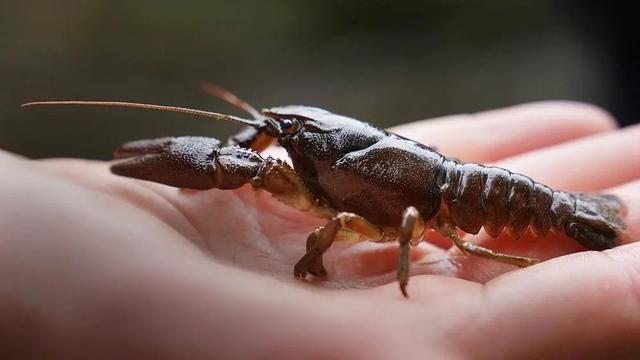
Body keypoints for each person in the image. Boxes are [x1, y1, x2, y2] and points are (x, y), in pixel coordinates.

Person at [0, 101, 638, 358]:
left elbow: (357, 221)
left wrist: (315, 256)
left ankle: (582, 218)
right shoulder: (329, 152)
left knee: (342, 219)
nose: (271, 139)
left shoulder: (377, 197)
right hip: (462, 194)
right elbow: (257, 144)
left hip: (493, 205)